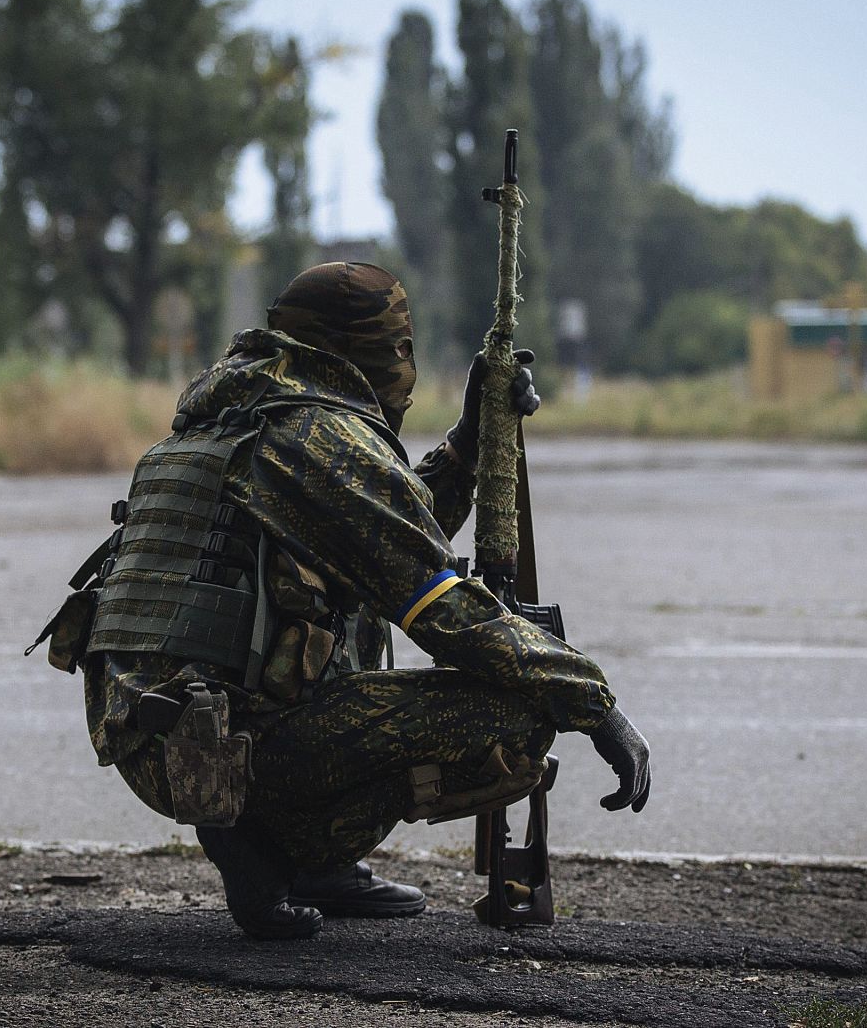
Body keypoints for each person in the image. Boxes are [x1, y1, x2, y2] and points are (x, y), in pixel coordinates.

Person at [80, 261, 651, 939]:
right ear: (363, 351)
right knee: (516, 712)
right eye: (399, 347)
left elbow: (390, 538)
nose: (406, 367)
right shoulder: (317, 435)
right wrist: (594, 704)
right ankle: (275, 848)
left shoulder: (231, 415)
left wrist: (470, 438)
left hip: (155, 736)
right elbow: (442, 606)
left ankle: (304, 857)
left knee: (357, 600)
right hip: (221, 750)